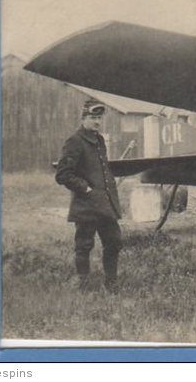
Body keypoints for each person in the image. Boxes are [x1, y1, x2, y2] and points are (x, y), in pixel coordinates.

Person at [55, 99, 122, 292]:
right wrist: (85, 189)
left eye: (100, 118)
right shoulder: (74, 141)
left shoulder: (99, 140)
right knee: (84, 245)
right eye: (93, 117)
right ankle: (83, 284)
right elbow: (63, 174)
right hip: (86, 204)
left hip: (104, 203)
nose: (97, 122)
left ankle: (111, 283)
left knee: (114, 242)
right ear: (83, 118)